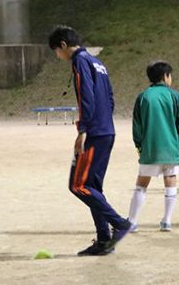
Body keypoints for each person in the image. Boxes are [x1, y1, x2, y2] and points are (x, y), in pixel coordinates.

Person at [48, 26, 131, 256]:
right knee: (93, 187)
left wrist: (84, 129)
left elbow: (86, 94)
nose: (58, 56)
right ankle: (104, 240)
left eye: (56, 51)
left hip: (94, 133)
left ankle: (120, 224)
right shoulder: (98, 62)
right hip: (106, 131)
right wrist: (103, 121)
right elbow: (111, 98)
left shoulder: (80, 61)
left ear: (63, 45)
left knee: (78, 185)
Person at [128, 61, 179, 232]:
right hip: (171, 148)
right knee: (170, 180)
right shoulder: (174, 96)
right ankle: (167, 221)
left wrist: (140, 146)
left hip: (150, 148)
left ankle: (132, 221)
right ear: (166, 76)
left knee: (141, 183)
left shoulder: (143, 97)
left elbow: (137, 127)